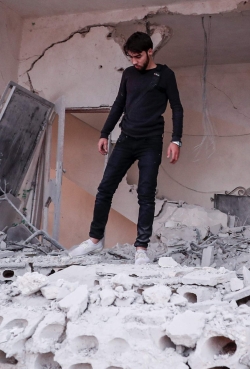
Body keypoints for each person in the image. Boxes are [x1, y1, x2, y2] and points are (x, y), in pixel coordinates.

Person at [67, 31, 183, 264]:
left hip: (151, 142)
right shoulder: (129, 74)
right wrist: (105, 133)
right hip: (126, 139)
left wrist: (176, 140)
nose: (134, 61)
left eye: (138, 56)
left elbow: (177, 108)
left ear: (150, 51)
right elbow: (119, 103)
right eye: (130, 57)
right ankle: (95, 240)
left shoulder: (165, 75)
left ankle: (141, 249)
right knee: (105, 188)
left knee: (146, 194)